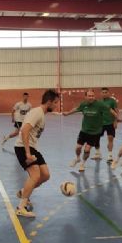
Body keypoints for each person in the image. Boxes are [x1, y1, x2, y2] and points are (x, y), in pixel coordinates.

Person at [14, 89, 60, 218]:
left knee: (45, 175)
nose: (56, 105)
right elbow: (24, 131)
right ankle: (21, 207)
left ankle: (24, 192)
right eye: (55, 102)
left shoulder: (41, 114)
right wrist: (28, 153)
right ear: (49, 102)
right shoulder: (37, 113)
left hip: (33, 148)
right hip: (23, 147)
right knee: (35, 175)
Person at [63, 89, 110, 172]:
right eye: (89, 96)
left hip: (95, 132)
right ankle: (77, 159)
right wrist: (67, 113)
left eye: (92, 96)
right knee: (78, 147)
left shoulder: (100, 105)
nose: (91, 97)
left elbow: (110, 110)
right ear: (86, 97)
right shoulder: (83, 104)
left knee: (87, 149)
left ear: (94, 96)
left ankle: (83, 164)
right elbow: (76, 109)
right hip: (84, 130)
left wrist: (116, 119)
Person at [94, 87, 119, 162]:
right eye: (103, 92)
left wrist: (115, 122)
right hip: (100, 123)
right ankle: (98, 153)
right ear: (101, 93)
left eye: (106, 92)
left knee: (110, 139)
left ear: (108, 93)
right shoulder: (99, 102)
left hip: (110, 123)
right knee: (96, 138)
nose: (104, 94)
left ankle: (110, 155)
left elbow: (116, 112)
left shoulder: (112, 101)